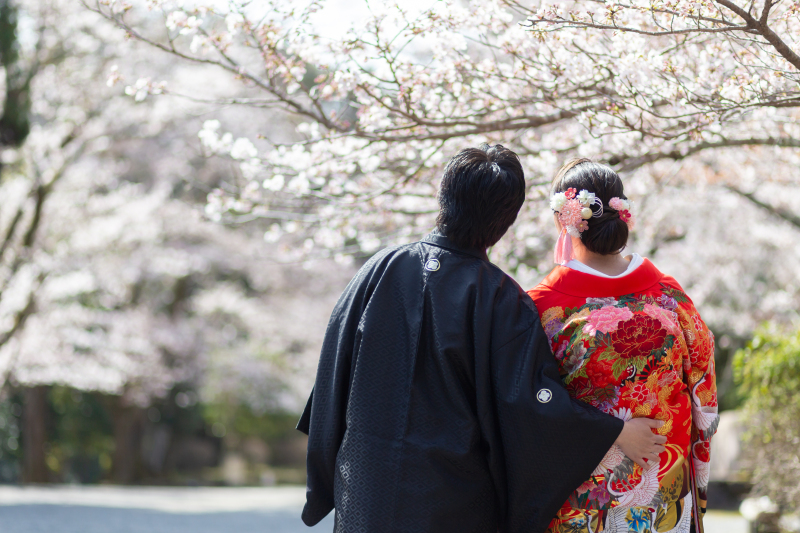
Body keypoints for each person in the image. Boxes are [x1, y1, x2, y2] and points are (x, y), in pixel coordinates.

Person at [297, 145, 666, 533]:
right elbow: (532, 406)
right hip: (451, 502)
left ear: (444, 196)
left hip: (365, 492)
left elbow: (332, 375)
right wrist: (612, 431)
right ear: (507, 221)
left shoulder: (378, 270)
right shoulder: (499, 297)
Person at [527, 159, 719, 533]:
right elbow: (703, 392)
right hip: (665, 488)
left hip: (582, 502)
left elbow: (531, 403)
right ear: (623, 214)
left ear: (563, 220)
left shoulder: (543, 307)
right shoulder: (669, 296)